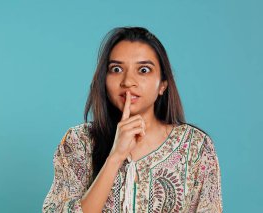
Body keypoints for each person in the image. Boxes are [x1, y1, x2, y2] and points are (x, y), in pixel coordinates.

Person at [42, 26, 223, 212]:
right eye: (116, 69)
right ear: (104, 79)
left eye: (143, 70)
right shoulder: (79, 142)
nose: (128, 81)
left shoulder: (195, 146)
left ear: (163, 84)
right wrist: (115, 157)